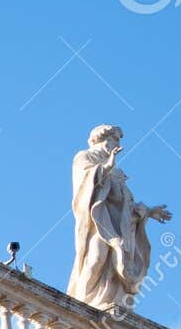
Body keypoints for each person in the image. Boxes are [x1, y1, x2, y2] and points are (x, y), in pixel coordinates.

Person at [67, 124, 170, 313]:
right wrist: (107, 166)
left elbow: (126, 202)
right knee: (96, 257)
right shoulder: (85, 157)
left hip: (117, 225)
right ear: (101, 139)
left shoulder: (116, 171)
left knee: (115, 262)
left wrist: (148, 211)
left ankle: (110, 300)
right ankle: (81, 301)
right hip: (97, 222)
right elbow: (86, 185)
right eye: (115, 139)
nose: (117, 144)